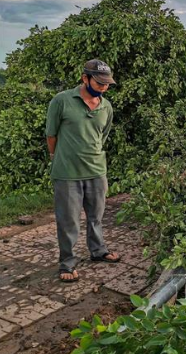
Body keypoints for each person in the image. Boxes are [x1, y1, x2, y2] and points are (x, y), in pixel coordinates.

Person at [46, 59, 120, 282]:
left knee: (96, 217)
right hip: (67, 173)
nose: (104, 87)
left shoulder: (106, 107)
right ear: (84, 78)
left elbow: (102, 136)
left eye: (107, 84)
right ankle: (67, 264)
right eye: (99, 83)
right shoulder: (62, 101)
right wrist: (56, 157)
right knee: (68, 221)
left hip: (97, 171)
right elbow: (51, 135)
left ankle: (98, 251)